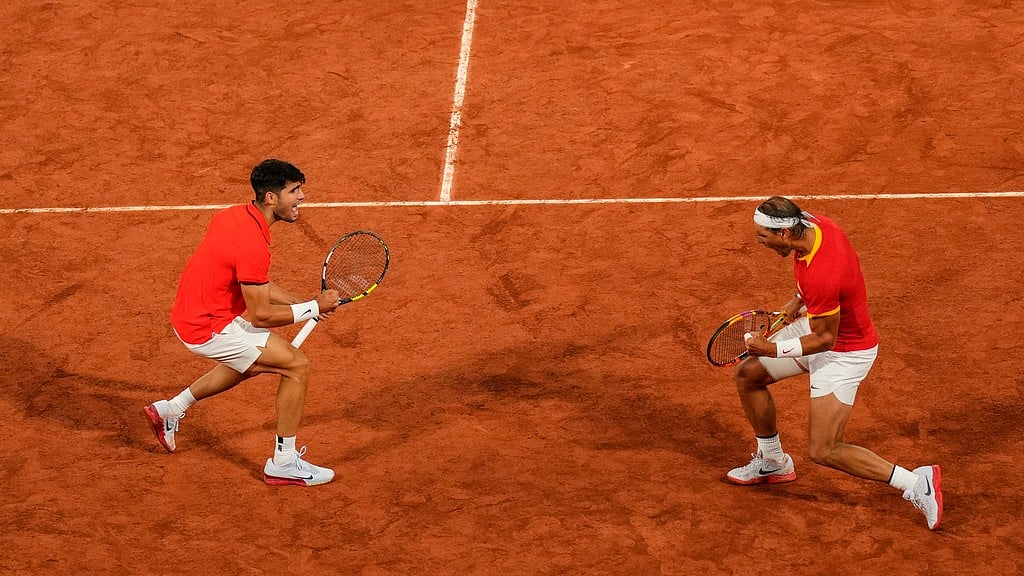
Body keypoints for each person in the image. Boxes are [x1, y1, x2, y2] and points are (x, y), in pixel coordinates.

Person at [727, 195, 943, 530]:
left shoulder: (824, 273)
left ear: (784, 234)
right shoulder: (816, 227)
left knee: (824, 448)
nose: (759, 241)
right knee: (747, 375)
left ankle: (915, 483)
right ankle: (772, 461)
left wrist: (771, 350)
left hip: (845, 353)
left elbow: (825, 341)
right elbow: (814, 298)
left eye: (763, 236)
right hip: (819, 327)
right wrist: (793, 306)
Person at [144, 159, 341, 486]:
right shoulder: (253, 244)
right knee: (296, 366)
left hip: (197, 311)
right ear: (271, 198)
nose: (302, 197)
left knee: (250, 363)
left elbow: (254, 284)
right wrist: (311, 309)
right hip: (207, 326)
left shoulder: (234, 215)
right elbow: (260, 314)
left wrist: (302, 302)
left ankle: (170, 409)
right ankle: (284, 462)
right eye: (294, 191)